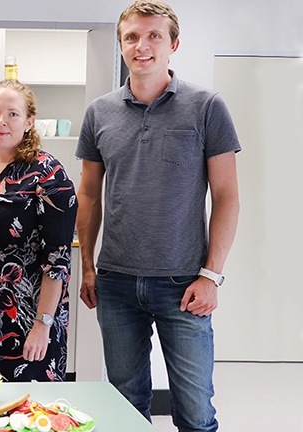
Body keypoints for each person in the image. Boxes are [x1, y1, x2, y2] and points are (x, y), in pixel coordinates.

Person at [75, 1, 240, 430]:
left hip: (184, 283)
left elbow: (226, 197)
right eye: (131, 37)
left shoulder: (207, 107)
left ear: (173, 44)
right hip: (116, 283)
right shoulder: (99, 112)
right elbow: (89, 195)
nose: (141, 46)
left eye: (153, 36)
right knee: (126, 408)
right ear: (121, 45)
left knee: (196, 412)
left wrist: (211, 276)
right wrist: (88, 268)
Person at [0, 80, 78, 382]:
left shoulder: (48, 174)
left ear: (29, 122)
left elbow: (58, 261)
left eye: (12, 114)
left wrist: (43, 324)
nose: (1, 121)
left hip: (25, 323)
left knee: (26, 417)